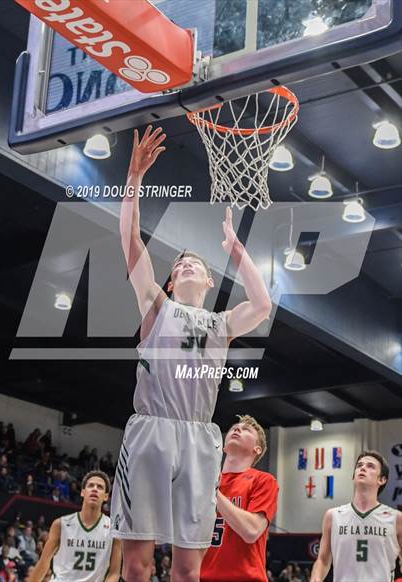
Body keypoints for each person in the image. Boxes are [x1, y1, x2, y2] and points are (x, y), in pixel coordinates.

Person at [111, 126, 272, 582]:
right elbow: (131, 242)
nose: (186, 265)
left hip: (201, 439)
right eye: (179, 264)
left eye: (196, 265)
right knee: (138, 563)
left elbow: (261, 305)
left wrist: (238, 253)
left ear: (207, 283)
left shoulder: (222, 324)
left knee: (188, 567)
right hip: (151, 431)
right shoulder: (157, 306)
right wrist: (134, 177)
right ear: (169, 282)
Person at [200, 415, 278, 582]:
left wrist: (212, 490)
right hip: (201, 576)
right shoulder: (203, 481)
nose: (237, 429)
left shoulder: (264, 481)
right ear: (224, 447)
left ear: (257, 449)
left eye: (246, 430)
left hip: (245, 578)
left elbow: (251, 531)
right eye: (235, 427)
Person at [310, 450, 402, 582]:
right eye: (359, 465)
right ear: (353, 476)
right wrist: (315, 579)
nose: (363, 468)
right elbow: (323, 560)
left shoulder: (396, 519)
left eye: (370, 466)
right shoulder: (333, 516)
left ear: (382, 479)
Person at [28, 471, 122, 581]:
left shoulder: (113, 529)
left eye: (100, 487)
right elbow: (43, 563)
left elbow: (114, 573)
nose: (95, 489)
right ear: (83, 492)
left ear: (106, 497)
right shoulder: (61, 524)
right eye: (90, 485)